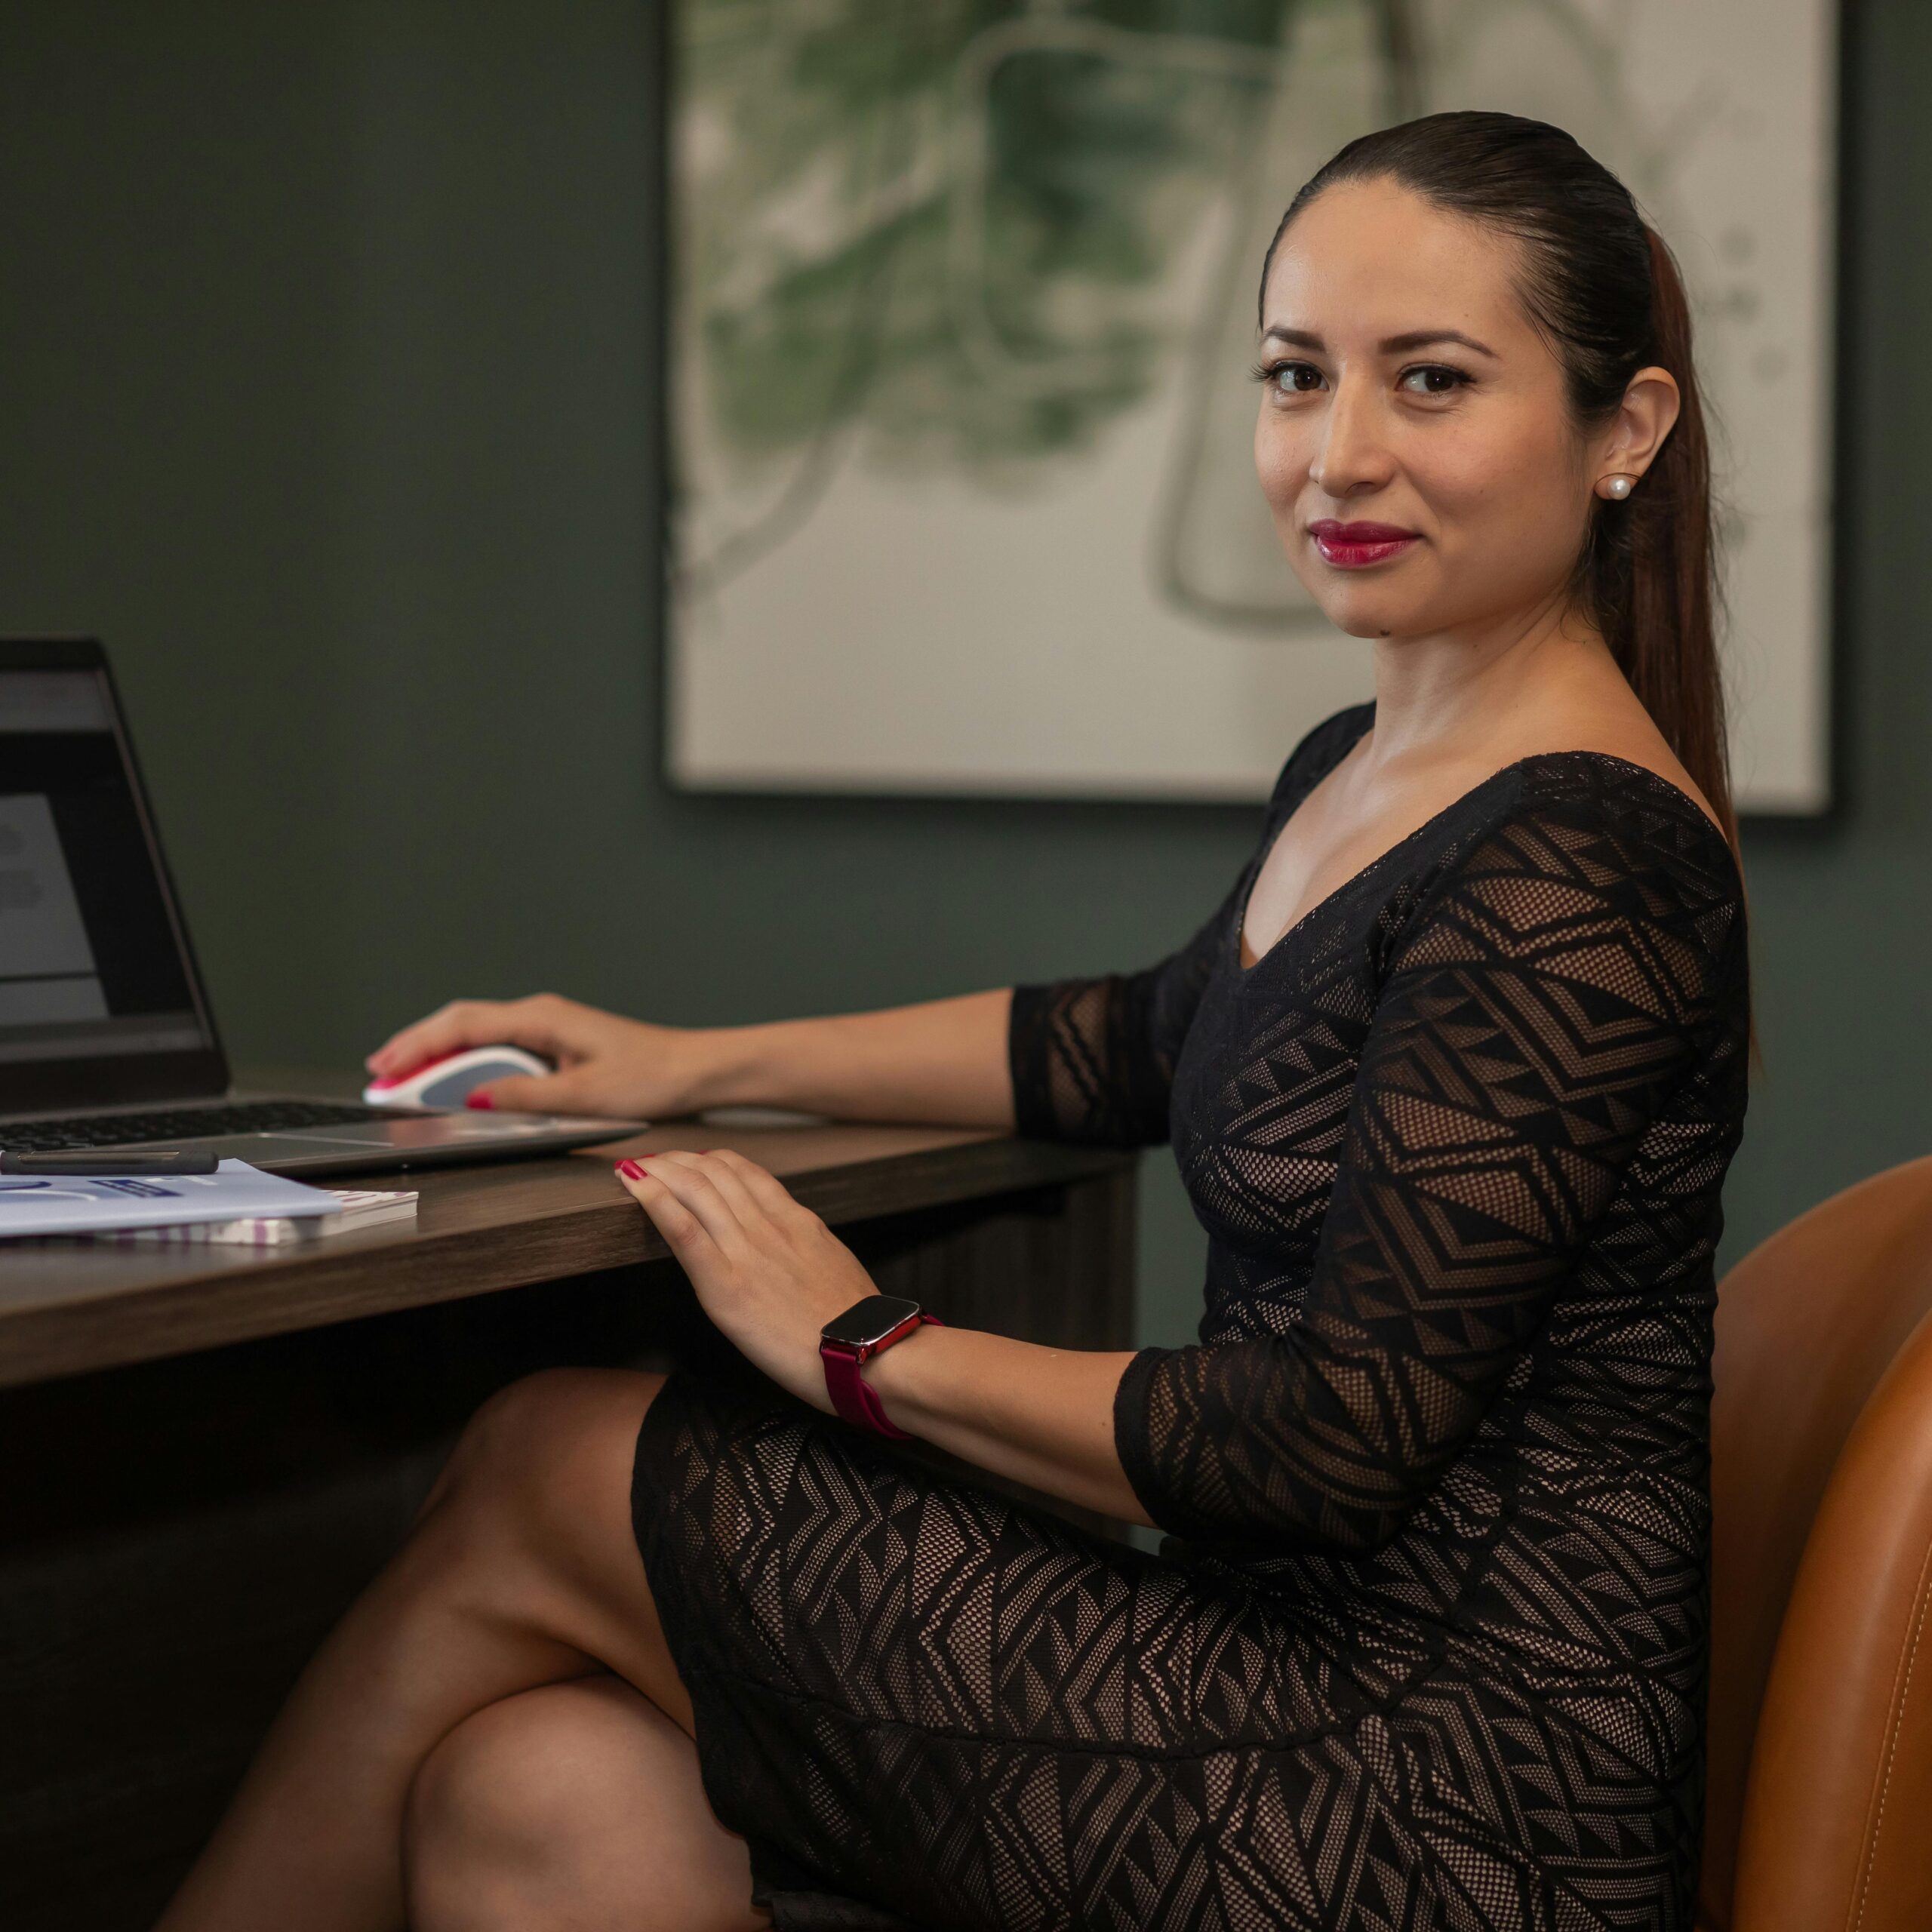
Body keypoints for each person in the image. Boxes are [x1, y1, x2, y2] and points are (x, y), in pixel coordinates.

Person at [158, 111, 1749, 1932]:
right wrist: (685, 1060)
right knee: (545, 1802)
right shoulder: (1377, 768)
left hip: (1435, 1810)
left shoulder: (1581, 855)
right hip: (1281, 1674)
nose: (1339, 454)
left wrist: (858, 1338)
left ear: (1621, 428)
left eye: (1433, 381)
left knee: (542, 1453)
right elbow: (1142, 1038)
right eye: (1295, 375)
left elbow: (1328, 1432)